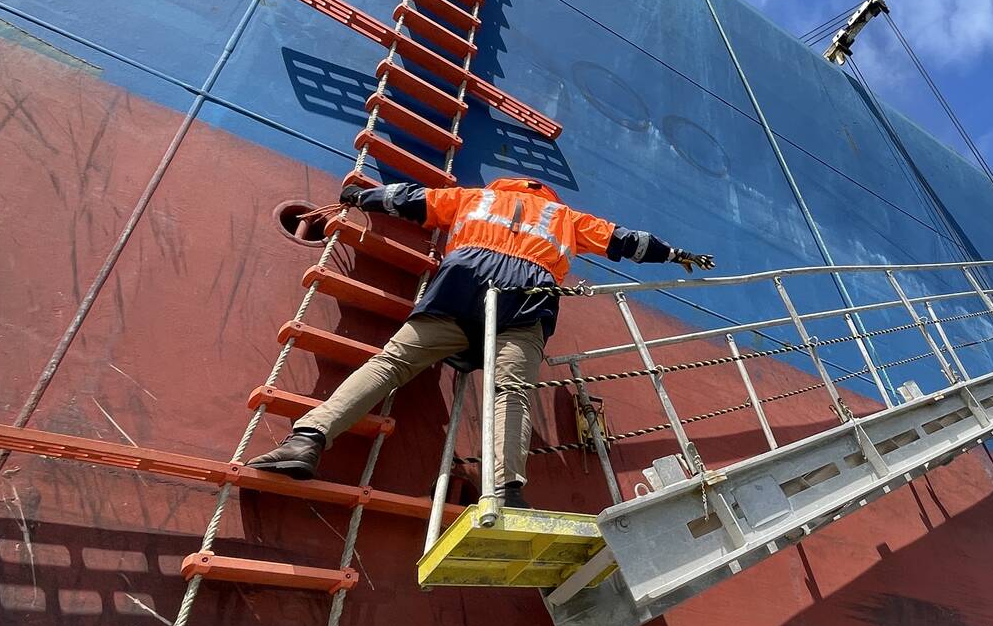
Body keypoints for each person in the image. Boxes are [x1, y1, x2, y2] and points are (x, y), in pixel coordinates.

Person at [247, 177, 712, 502]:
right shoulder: (566, 217)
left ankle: (306, 440)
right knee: (511, 393)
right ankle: (506, 491)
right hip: (525, 299)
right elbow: (628, 242)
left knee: (390, 364)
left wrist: (359, 197)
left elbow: (409, 200)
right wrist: (676, 254)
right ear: (545, 195)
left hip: (460, 285)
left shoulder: (474, 198)